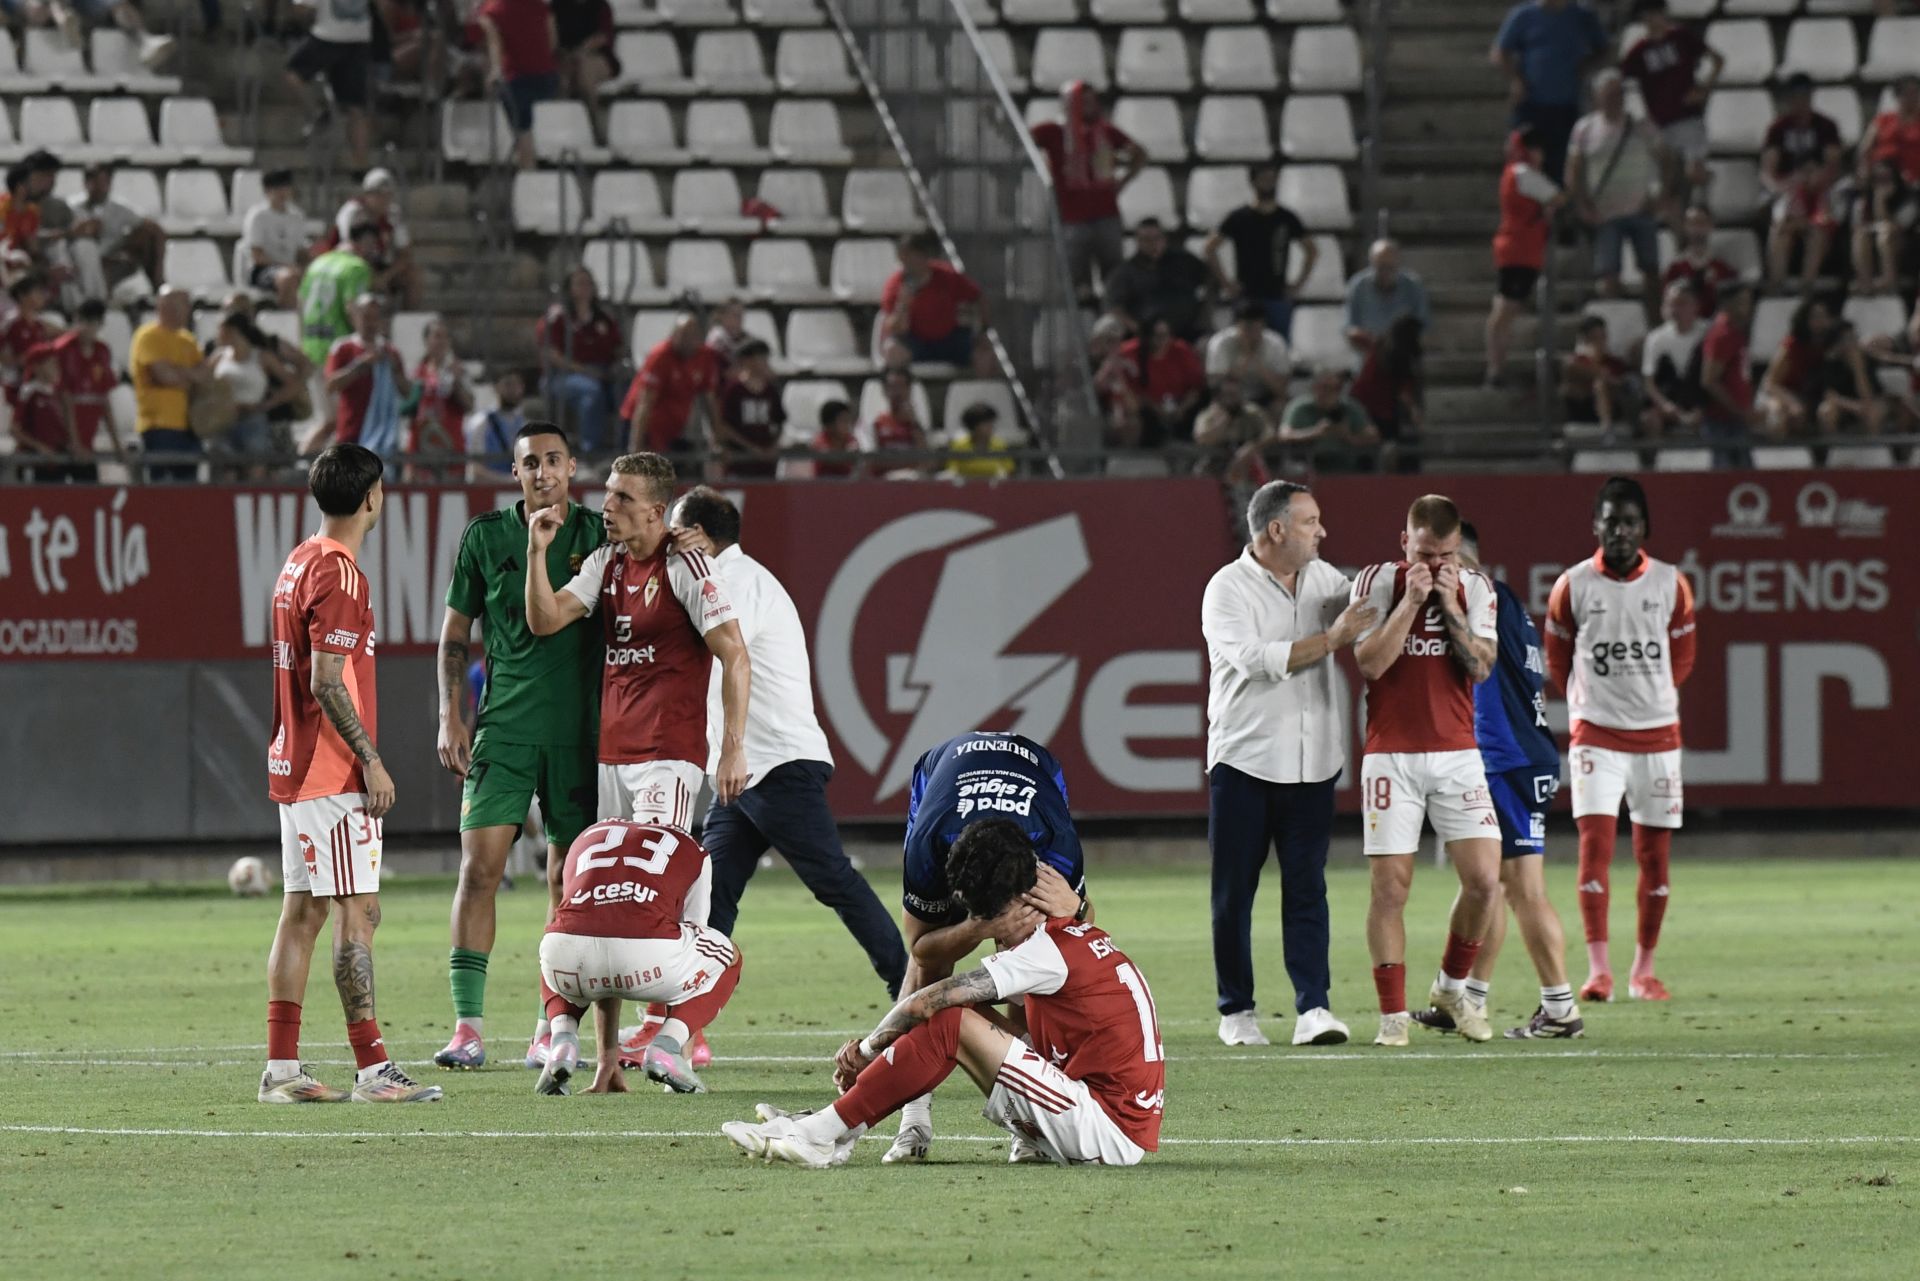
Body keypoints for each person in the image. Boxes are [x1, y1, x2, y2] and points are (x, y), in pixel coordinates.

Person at [724, 818, 1161, 1169]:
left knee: (949, 1018)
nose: (988, 926)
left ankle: (822, 1132)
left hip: (1107, 1131)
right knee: (960, 1016)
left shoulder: (1043, 952)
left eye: (990, 915)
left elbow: (925, 1001)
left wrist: (867, 1051)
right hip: (1097, 1103)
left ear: (1021, 899)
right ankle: (835, 1128)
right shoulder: (1071, 930)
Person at [665, 487, 906, 1009]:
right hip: (749, 768)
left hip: (773, 763)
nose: (668, 540)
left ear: (699, 536)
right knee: (712, 892)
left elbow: (731, 658)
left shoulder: (733, 581)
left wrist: (729, 750)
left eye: (675, 530)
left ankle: (909, 986)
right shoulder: (735, 578)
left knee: (833, 880)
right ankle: (682, 1022)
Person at [259, 442, 442, 1105]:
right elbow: (327, 679)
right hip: (331, 773)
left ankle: (281, 1072)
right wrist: (369, 757)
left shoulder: (298, 561)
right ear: (372, 496)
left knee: (302, 910)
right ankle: (373, 1070)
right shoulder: (342, 573)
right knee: (357, 912)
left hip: (294, 762)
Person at [433, 422, 606, 1073]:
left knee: (567, 881)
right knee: (478, 869)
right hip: (501, 728)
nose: (542, 471)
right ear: (515, 471)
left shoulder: (597, 534)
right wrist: (450, 715)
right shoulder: (485, 537)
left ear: (570, 467)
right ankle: (468, 1029)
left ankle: (548, 1025)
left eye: (553, 460)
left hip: (580, 734)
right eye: (530, 461)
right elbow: (455, 633)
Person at [1202, 481, 1376, 1049]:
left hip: (1314, 761)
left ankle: (1314, 1009)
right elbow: (1256, 662)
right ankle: (1237, 1011)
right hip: (1246, 760)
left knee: (1308, 889)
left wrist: (1415, 575)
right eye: (1310, 522)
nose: (1321, 531)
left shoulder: (1325, 579)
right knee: (1234, 892)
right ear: (1276, 530)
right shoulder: (1226, 589)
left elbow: (1370, 602)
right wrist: (1332, 638)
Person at [881, 731, 1093, 1165]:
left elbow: (1081, 938)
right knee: (934, 968)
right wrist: (979, 927)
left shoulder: (1057, 849)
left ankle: (1030, 1126)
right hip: (943, 774)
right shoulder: (930, 847)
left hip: (1033, 773)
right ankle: (914, 1114)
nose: (1000, 940)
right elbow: (923, 950)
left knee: (1039, 947)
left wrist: (1078, 907)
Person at [1412, 522, 1584, 1041]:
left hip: (1505, 759)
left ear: (1458, 560)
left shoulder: (1475, 602)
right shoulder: (1506, 604)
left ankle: (1560, 1009)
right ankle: (1467, 998)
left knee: (1519, 889)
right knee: (1493, 884)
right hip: (1526, 755)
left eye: (1440, 559)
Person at [525, 450, 752, 831]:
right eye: (609, 493)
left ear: (655, 511)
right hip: (612, 754)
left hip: (668, 755)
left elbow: (736, 656)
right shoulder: (607, 561)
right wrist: (536, 552)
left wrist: (733, 749)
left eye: (624, 498)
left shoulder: (687, 565)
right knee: (615, 884)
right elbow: (545, 621)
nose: (607, 506)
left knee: (650, 879)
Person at [1349, 495, 1501, 1046]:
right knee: (1391, 888)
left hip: (1458, 753)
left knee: (1485, 881)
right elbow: (1369, 663)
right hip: (1391, 753)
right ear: (1404, 542)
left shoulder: (1477, 589)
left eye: (1443, 556)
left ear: (1457, 548)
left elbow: (1481, 666)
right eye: (1424, 553)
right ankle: (1392, 1017)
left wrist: (1451, 608)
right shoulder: (1374, 582)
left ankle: (1450, 987)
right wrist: (1411, 604)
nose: (1434, 566)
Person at [1545, 476, 1697, 1004]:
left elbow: (1682, 660)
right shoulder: (1574, 584)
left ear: (1644, 528)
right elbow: (1557, 660)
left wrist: (1646, 699)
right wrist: (1596, 705)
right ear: (1596, 525)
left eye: (1629, 522)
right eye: (1610, 521)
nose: (1619, 531)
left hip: (1658, 738)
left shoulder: (1671, 584)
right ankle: (1599, 972)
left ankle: (1643, 971)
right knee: (1596, 852)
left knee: (1655, 858)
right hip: (1597, 737)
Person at [535, 819, 744, 1095]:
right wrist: (685, 1059)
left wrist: (606, 1061)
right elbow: (696, 932)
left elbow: (600, 931)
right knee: (729, 957)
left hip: (566, 956)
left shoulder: (587, 834)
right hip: (648, 955)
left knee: (558, 942)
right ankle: (668, 1046)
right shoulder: (693, 849)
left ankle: (562, 1036)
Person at [1028, 81, 1146, 294]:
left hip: (1106, 214)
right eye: (1083, 101)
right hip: (1072, 217)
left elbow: (1138, 152)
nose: (1090, 106)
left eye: (1092, 101)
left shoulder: (1106, 132)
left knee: (1113, 276)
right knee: (1075, 279)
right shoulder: (1052, 131)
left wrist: (1123, 180)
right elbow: (1022, 141)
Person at [1618, 0, 1722, 221]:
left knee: (1694, 172)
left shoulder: (1682, 37)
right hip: (1661, 125)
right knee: (1665, 190)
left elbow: (1717, 60)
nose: (1653, 20)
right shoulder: (1638, 52)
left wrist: (1704, 88)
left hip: (1688, 119)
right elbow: (1620, 83)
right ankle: (1679, 241)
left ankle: (1704, 210)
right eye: (1647, 15)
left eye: (1656, 13)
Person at [1566, 71, 1662, 301]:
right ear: (1597, 97)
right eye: (1608, 94)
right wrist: (1581, 204)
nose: (1614, 99)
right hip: (1604, 213)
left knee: (1651, 270)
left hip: (1641, 208)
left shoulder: (1642, 126)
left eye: (1618, 94)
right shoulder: (1584, 129)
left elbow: (1664, 159)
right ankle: (1615, 320)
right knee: (1608, 273)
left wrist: (1660, 193)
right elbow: (1574, 169)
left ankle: (1653, 320)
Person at [1492, 0, 1607, 183]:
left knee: (1563, 165)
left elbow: (1603, 49)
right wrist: (1517, 80)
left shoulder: (1582, 15)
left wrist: (1585, 66)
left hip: (1567, 104)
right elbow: (1500, 52)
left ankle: (1560, 206)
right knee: (1525, 165)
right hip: (1531, 105)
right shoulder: (1523, 15)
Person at [1486, 124, 1563, 389]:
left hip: (1518, 249)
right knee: (1505, 311)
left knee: (1506, 311)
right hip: (1520, 250)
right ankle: (1495, 367)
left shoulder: (1513, 172)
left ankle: (1497, 366)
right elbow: (1557, 197)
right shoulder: (1524, 173)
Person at [1205, 164, 1316, 338]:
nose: (1268, 183)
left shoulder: (1286, 218)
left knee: (1278, 350)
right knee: (1243, 346)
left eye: (1272, 178)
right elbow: (1210, 248)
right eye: (1264, 179)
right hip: (1246, 295)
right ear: (1253, 182)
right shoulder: (1239, 217)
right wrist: (1226, 284)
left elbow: (1311, 250)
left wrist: (1297, 285)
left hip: (1277, 295)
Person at [1762, 74, 1843, 293]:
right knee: (1779, 231)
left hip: (1818, 192)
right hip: (1790, 192)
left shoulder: (1826, 126)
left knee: (1817, 231)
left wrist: (1816, 179)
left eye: (1804, 97)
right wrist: (1784, 187)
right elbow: (1768, 171)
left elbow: (1833, 166)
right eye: (1794, 97)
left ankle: (1807, 287)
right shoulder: (1778, 129)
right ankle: (1776, 285)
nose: (1800, 102)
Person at [311, 293, 410, 465]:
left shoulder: (390, 352)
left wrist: (394, 370)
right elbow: (331, 384)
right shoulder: (344, 348)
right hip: (351, 434)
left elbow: (407, 391)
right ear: (355, 318)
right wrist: (360, 366)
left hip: (382, 439)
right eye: (365, 317)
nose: (370, 323)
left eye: (374, 318)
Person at [539, 265, 624, 456]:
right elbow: (551, 355)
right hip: (564, 375)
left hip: (601, 371)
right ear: (569, 288)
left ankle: (625, 448)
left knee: (625, 390)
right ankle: (590, 451)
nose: (585, 288)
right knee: (591, 392)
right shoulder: (557, 316)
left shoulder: (603, 317)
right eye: (580, 283)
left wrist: (616, 366)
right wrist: (585, 371)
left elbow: (617, 347)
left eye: (588, 283)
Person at [131, 286, 212, 481]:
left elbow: (204, 376)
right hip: (160, 426)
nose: (187, 310)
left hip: (190, 426)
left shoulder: (187, 340)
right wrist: (189, 375)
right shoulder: (148, 336)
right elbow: (165, 377)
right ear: (165, 307)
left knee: (189, 489)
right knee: (163, 489)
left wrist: (179, 372)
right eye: (183, 305)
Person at [285, 0, 373, 171]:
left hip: (327, 37)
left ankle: (318, 112)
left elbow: (302, 9)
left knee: (292, 75)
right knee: (356, 108)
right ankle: (361, 167)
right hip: (360, 38)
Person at [43, 299, 124, 478]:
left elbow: (104, 399)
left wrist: (116, 443)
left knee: (86, 495)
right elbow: (64, 398)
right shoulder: (63, 350)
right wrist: (74, 442)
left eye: (93, 322)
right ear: (76, 320)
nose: (87, 328)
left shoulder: (102, 352)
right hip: (59, 442)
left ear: (101, 324)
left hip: (87, 441)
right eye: (84, 321)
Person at [622, 312, 721, 456]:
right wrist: (636, 447)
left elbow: (709, 401)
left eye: (692, 336)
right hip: (643, 426)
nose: (687, 341)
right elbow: (644, 403)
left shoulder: (705, 357)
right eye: (683, 336)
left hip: (673, 429)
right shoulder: (660, 356)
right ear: (673, 336)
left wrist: (718, 439)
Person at [880, 231, 985, 367]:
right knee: (893, 351)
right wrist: (902, 306)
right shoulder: (895, 285)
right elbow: (893, 328)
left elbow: (977, 296)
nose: (906, 261)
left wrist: (983, 330)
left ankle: (981, 387)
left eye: (911, 255)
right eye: (903, 256)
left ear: (924, 255)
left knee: (984, 354)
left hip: (951, 339)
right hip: (916, 342)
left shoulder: (947, 276)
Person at [477, 0, 559, 171]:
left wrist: (495, 71)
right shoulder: (538, 5)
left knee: (523, 131)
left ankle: (529, 174)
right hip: (547, 76)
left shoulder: (491, 10)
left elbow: (495, 44)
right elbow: (552, 40)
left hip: (517, 79)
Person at [1103, 218, 1211, 344]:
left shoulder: (1184, 261)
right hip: (1148, 337)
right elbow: (1114, 306)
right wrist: (1137, 328)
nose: (1153, 244)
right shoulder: (1125, 272)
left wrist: (1206, 312)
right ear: (1138, 242)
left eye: (1157, 238)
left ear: (1164, 239)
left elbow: (1210, 278)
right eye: (1146, 240)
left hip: (1189, 331)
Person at [71, 163, 166, 296]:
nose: (99, 187)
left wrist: (126, 248)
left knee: (148, 235)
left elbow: (150, 227)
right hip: (82, 263)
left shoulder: (119, 208)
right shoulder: (71, 208)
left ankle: (157, 285)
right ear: (86, 183)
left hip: (113, 261)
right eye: (95, 182)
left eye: (103, 182)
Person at [332, 169, 421, 308]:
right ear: (367, 194)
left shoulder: (393, 214)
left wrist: (385, 277)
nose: (384, 200)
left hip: (379, 265)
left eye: (388, 195)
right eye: (378, 195)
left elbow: (405, 253)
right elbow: (348, 249)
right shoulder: (352, 212)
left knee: (412, 274)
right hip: (352, 265)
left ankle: (409, 320)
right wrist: (371, 276)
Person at [1117, 315, 1206, 445]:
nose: (1161, 341)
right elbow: (1130, 389)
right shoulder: (1129, 352)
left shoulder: (1181, 350)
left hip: (1181, 407)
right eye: (1156, 336)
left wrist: (1182, 408)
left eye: (1165, 336)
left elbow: (1196, 387)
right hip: (1149, 411)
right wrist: (1157, 409)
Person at [1352, 314, 1425, 470]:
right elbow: (1404, 391)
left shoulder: (1380, 344)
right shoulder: (1397, 355)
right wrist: (1414, 410)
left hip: (1364, 402)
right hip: (1379, 408)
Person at [299, 222, 378, 367]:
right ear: (365, 243)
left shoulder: (317, 264)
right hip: (339, 349)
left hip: (311, 346)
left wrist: (302, 340)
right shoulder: (356, 267)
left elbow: (301, 303)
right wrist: (365, 344)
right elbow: (353, 307)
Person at [1276, 366, 1380, 473]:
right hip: (1308, 464)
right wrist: (1315, 432)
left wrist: (1348, 436)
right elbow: (1284, 435)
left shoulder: (1350, 407)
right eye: (1324, 387)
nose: (1328, 393)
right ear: (1315, 387)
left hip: (1345, 465)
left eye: (1334, 388)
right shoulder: (1299, 407)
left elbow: (1373, 437)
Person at [1698, 282, 1756, 467]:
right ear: (1727, 304)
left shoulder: (1737, 332)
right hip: (1722, 421)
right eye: (1742, 302)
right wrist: (1737, 409)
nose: (1747, 307)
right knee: (1724, 475)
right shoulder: (1722, 334)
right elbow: (1709, 380)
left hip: (1736, 420)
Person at [1758, 297, 1834, 439]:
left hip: (1808, 395)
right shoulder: (1792, 345)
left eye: (1824, 316)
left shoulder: (1829, 343)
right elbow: (1770, 384)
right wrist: (1792, 403)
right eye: (1815, 317)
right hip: (1780, 393)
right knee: (1779, 414)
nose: (1821, 321)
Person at [213, 310, 277, 476]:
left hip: (253, 418)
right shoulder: (219, 356)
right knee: (226, 471)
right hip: (225, 419)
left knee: (256, 469)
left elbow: (292, 382)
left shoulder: (261, 357)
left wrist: (269, 403)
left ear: (233, 331)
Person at [1640, 279, 1706, 438]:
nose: (1675, 309)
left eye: (1682, 303)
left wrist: (1701, 408)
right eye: (1671, 304)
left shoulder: (1707, 333)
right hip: (1669, 400)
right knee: (1649, 419)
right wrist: (1666, 406)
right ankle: (1654, 460)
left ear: (1695, 306)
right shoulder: (1656, 338)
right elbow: (1649, 382)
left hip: (1701, 399)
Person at [241, 169, 313, 311]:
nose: (282, 192)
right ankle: (286, 320)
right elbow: (257, 255)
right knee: (289, 278)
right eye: (277, 188)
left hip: (291, 268)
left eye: (285, 187)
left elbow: (300, 252)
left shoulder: (297, 216)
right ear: (267, 190)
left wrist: (309, 265)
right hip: (262, 270)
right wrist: (286, 267)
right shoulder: (258, 216)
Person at [408, 317, 470, 480]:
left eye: (445, 336)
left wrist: (456, 382)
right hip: (422, 450)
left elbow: (469, 405)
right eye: (437, 336)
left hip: (451, 450)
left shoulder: (458, 370)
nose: (441, 341)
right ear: (426, 340)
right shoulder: (416, 373)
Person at [10, 347, 85, 482]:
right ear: (37, 367)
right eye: (51, 363)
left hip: (55, 463)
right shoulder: (30, 392)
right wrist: (40, 447)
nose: (56, 367)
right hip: (35, 463)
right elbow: (15, 430)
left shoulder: (57, 394)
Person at [715, 338, 784, 478]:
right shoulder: (734, 390)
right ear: (747, 361)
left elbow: (779, 421)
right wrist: (751, 449)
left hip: (765, 464)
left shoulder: (770, 390)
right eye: (760, 357)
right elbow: (725, 426)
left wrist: (773, 446)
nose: (765, 362)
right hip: (739, 463)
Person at [1344, 239, 1431, 350]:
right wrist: (1371, 341)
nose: (1385, 272)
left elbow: (1423, 326)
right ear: (1372, 263)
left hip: (1403, 356)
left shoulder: (1413, 286)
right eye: (1381, 267)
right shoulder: (1358, 286)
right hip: (1368, 355)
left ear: (1398, 263)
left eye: (1390, 267)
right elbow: (1350, 327)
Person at [1560, 315, 1636, 439]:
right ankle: (1606, 430)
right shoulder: (1574, 362)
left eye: (1603, 337)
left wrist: (1609, 382)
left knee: (1601, 385)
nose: (1600, 342)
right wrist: (1597, 366)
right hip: (1582, 408)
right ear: (1584, 339)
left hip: (1613, 409)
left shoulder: (1616, 363)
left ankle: (1607, 428)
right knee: (1598, 383)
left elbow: (1625, 385)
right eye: (1594, 338)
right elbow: (1571, 375)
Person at [1207, 301, 1292, 409]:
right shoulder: (1220, 343)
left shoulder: (1276, 343)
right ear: (1237, 325)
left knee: (1280, 405)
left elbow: (1281, 390)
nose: (1251, 334)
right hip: (1231, 399)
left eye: (1256, 329)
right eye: (1247, 328)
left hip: (1265, 397)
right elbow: (1215, 386)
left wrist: (1258, 365)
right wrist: (1242, 362)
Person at [1661, 205, 1736, 317]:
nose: (1696, 228)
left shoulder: (1723, 269)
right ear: (1685, 227)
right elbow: (1667, 308)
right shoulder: (1674, 269)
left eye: (1701, 223)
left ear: (1710, 226)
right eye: (1692, 223)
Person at [551, 0, 618, 123]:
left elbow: (604, 37)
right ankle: (564, 123)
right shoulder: (557, 6)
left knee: (585, 72)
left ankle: (593, 120)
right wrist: (567, 54)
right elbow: (552, 40)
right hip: (565, 57)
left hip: (596, 57)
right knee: (561, 78)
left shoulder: (601, 6)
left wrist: (582, 50)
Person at [464, 368, 529, 479]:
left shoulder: (526, 425)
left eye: (517, 385)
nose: (513, 390)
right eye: (508, 384)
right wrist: (508, 481)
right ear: (496, 387)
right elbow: (474, 469)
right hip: (490, 489)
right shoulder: (481, 423)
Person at [943, 400, 1014, 480]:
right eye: (986, 423)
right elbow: (952, 472)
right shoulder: (959, 446)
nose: (990, 427)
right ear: (973, 426)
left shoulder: (1000, 445)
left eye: (991, 423)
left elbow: (1008, 472)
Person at [868, 365, 928, 458]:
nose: (897, 392)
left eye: (901, 386)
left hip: (914, 472)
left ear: (909, 389)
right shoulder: (877, 423)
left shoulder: (917, 425)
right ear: (884, 390)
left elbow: (927, 461)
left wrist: (914, 424)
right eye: (892, 386)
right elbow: (873, 461)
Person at [811, 397, 865, 478]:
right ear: (829, 425)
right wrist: (847, 456)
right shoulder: (819, 441)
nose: (848, 426)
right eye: (843, 421)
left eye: (848, 421)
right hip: (824, 486)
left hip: (847, 487)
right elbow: (829, 458)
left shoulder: (851, 440)